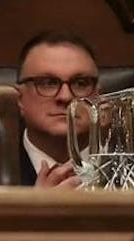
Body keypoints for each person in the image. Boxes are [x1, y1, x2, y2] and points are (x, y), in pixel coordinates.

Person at [14, 30, 99, 189]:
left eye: (80, 83)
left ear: (98, 96)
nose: (65, 97)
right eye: (48, 83)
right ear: (20, 99)